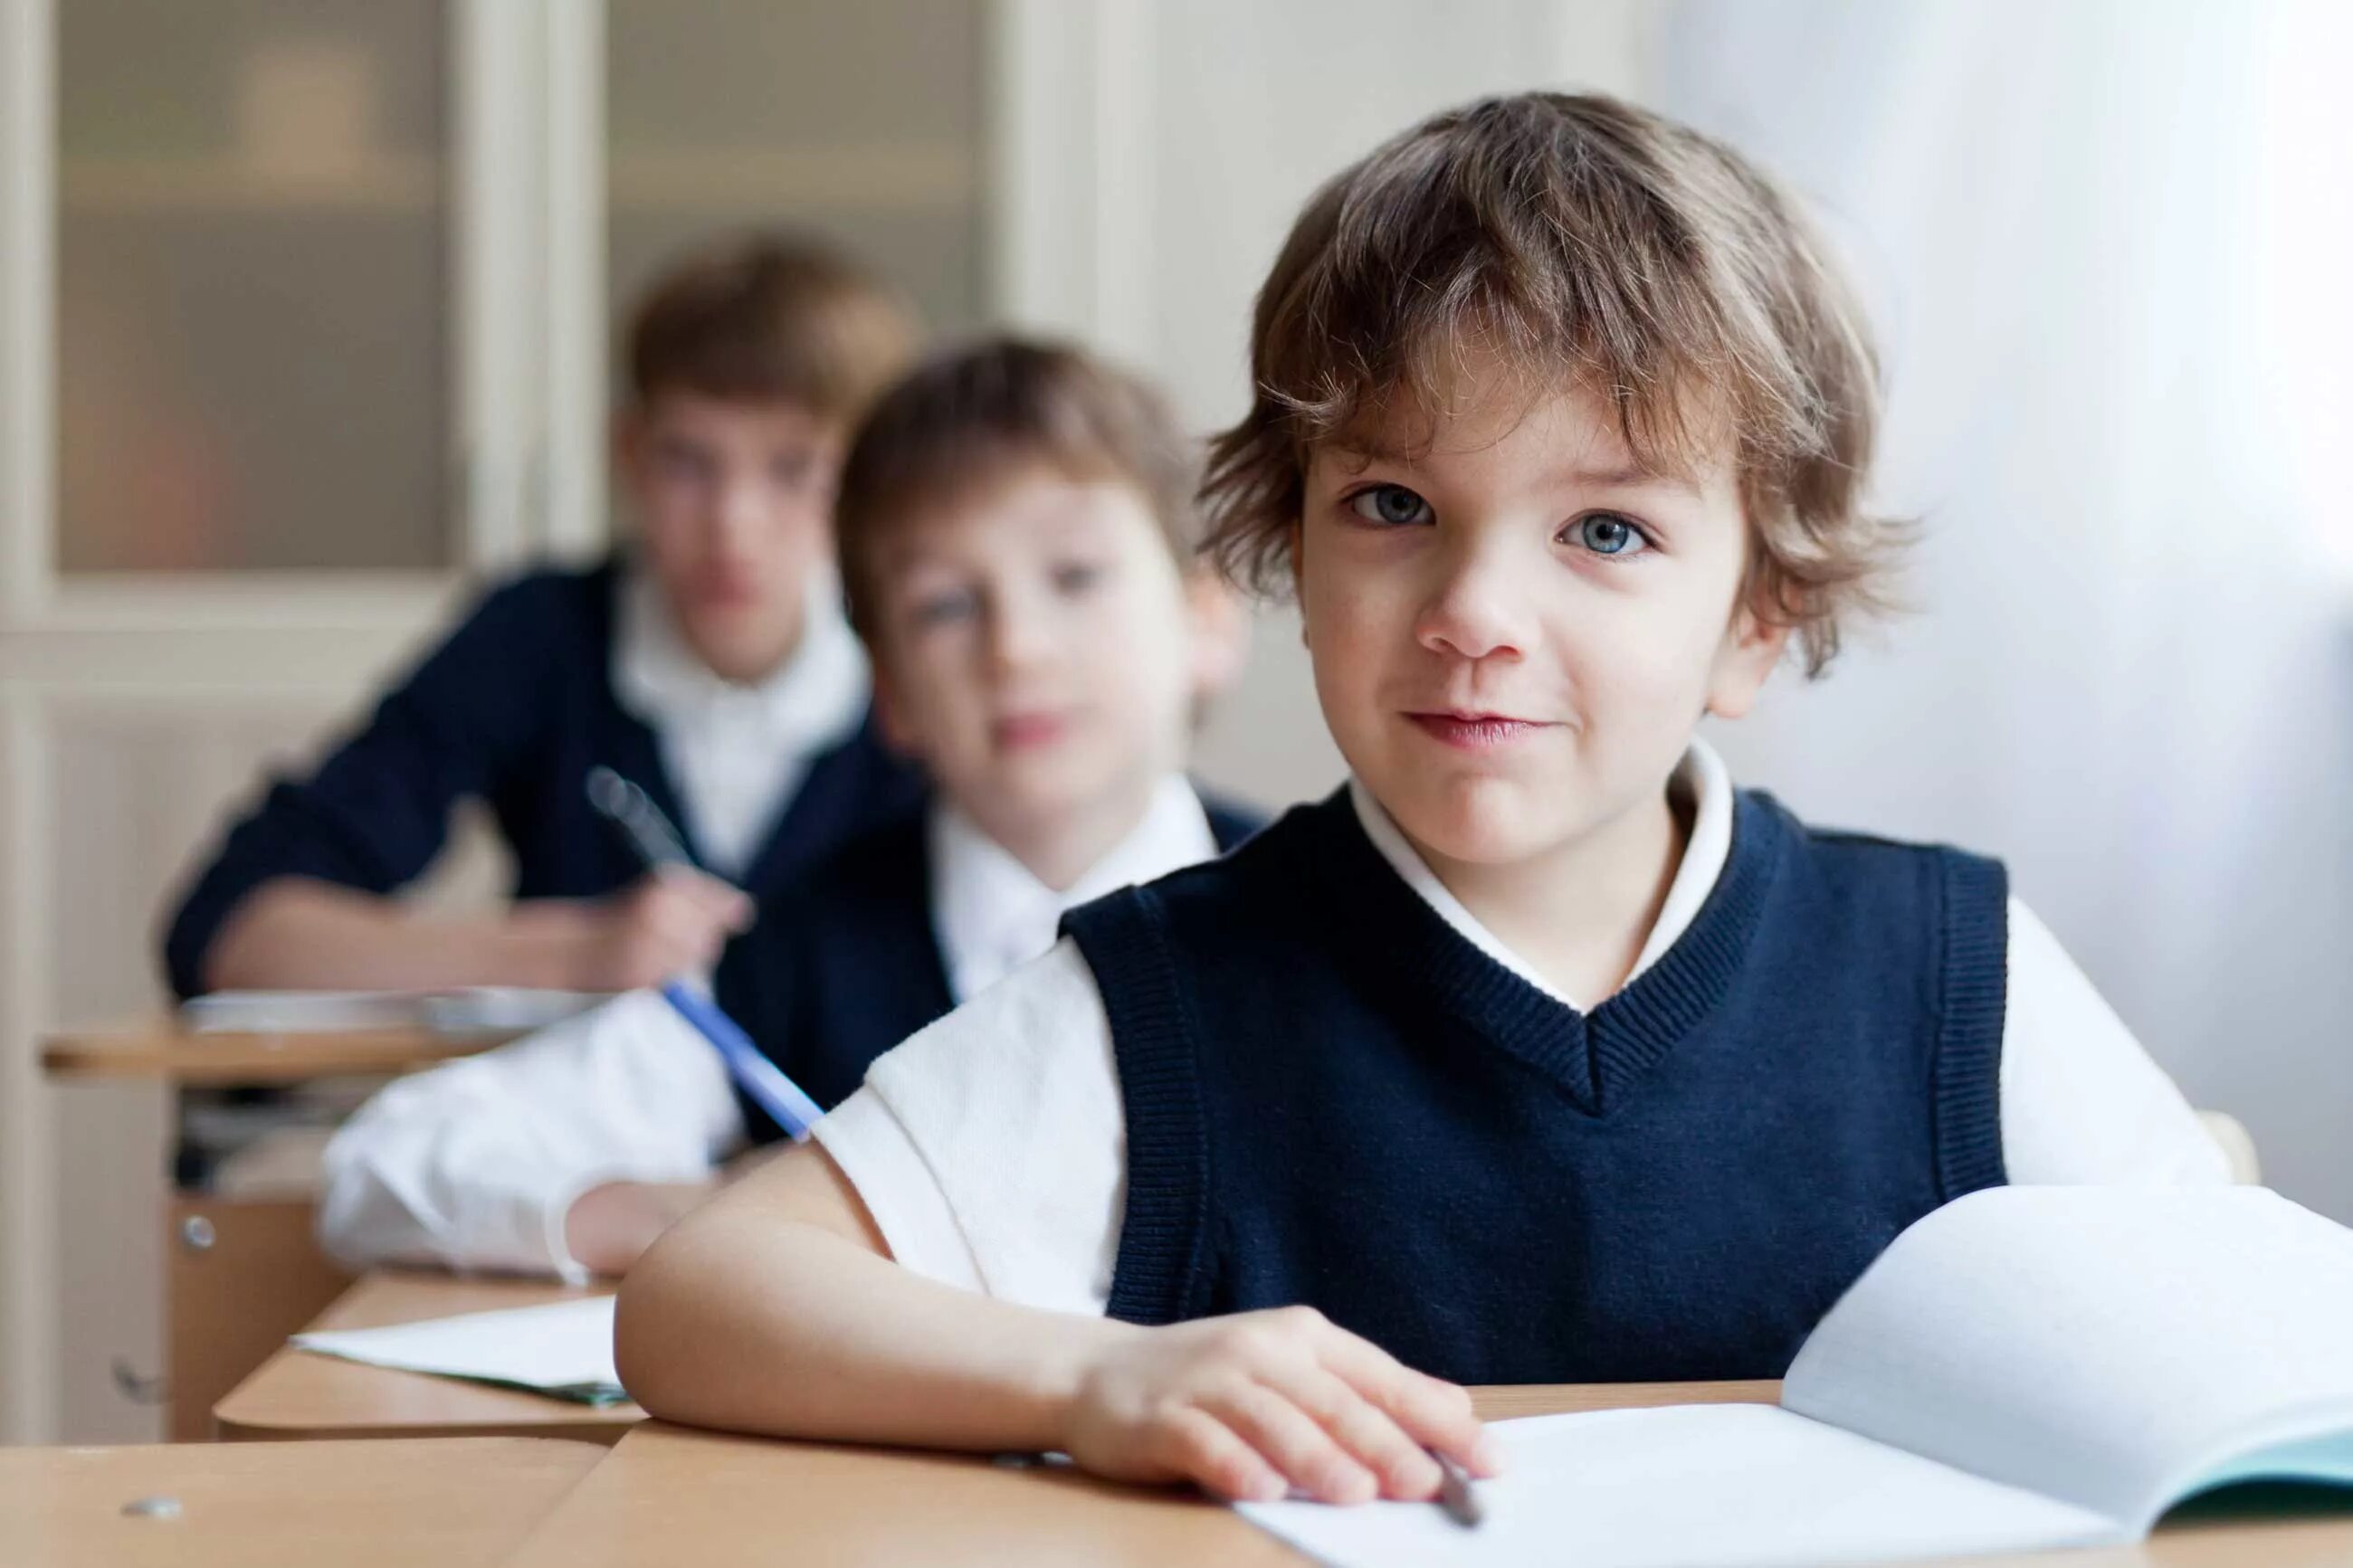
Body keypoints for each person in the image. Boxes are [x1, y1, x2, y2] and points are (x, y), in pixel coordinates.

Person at [614, 93, 2228, 1509]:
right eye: (1394, 504)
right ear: (1293, 563)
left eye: (1603, 531)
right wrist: (1090, 1378)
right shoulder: (1160, 997)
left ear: (1756, 618)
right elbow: (701, 1297)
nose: (1474, 608)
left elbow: (2228, 1322)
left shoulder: (1948, 967)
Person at [316, 338, 1258, 1279]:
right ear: (885, 688)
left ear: (1204, 619)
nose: (1014, 648)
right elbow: (384, 1167)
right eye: (943, 606)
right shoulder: (797, 952)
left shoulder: (1331, 919)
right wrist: (691, 1212)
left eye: (1074, 576)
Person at [160, 233, 923, 1000]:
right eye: (688, 462)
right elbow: (233, 933)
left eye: (794, 470)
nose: (734, 525)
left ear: (870, 483)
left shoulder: (927, 658)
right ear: (626, 453)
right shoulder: (541, 636)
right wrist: (569, 953)